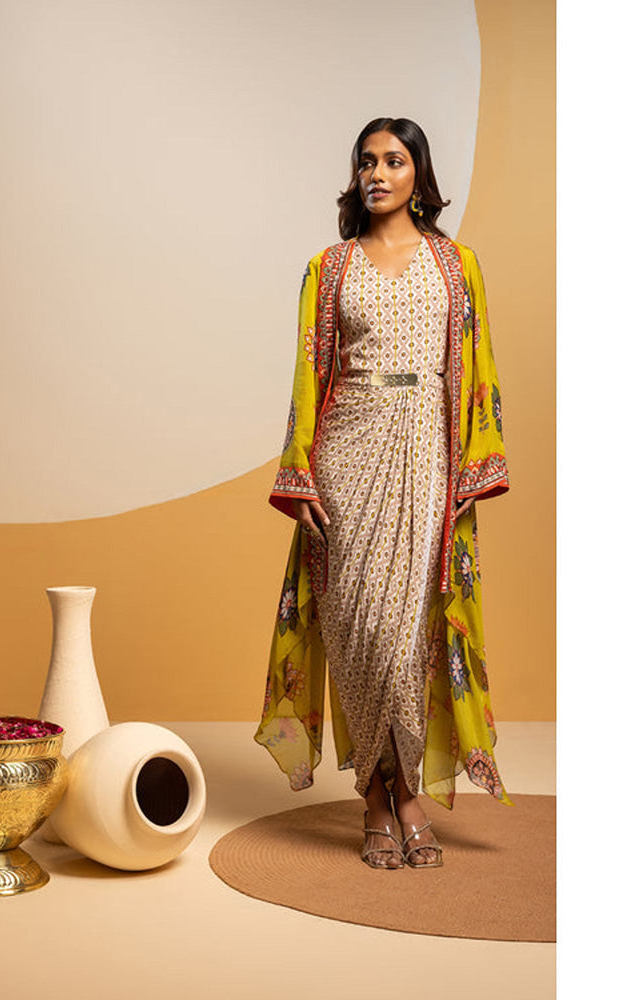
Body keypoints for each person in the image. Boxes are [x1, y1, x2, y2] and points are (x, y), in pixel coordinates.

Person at [254, 117, 512, 871]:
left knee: (406, 640)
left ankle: (405, 800)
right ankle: (375, 797)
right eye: (366, 161)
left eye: (393, 161)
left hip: (428, 455)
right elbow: (308, 376)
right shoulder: (328, 267)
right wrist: (301, 472)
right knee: (358, 632)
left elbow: (480, 368)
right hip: (347, 456)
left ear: (418, 174)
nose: (376, 173)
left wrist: (473, 467)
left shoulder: (457, 266)